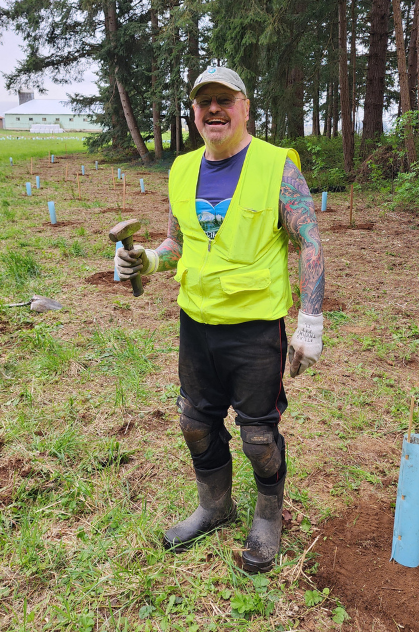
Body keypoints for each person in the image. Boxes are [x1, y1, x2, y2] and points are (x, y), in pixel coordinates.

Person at [115, 66, 324, 573]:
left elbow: (310, 241)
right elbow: (179, 240)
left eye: (224, 99)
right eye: (203, 100)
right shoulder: (183, 169)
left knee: (258, 437)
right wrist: (149, 258)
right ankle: (215, 506)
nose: (214, 108)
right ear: (194, 111)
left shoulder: (276, 166)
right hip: (196, 324)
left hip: (255, 329)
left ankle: (268, 517)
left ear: (244, 108)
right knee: (194, 423)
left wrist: (311, 320)